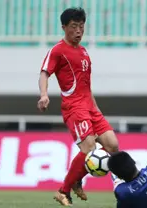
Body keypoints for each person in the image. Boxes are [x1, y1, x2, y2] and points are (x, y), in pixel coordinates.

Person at [37, 7, 119, 206]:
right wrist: (44, 94)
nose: (78, 31)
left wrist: (96, 108)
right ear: (64, 27)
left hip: (90, 107)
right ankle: (63, 191)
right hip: (74, 108)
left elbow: (86, 85)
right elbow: (44, 73)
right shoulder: (57, 50)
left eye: (81, 26)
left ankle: (76, 180)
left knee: (112, 145)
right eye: (74, 26)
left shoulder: (83, 51)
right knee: (89, 148)